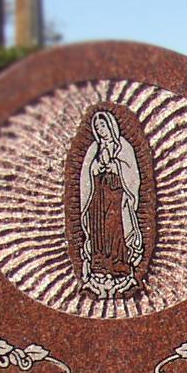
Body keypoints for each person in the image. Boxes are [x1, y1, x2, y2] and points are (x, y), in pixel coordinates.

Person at [78, 110, 144, 298]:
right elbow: (87, 174)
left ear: (110, 126)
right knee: (99, 231)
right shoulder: (94, 149)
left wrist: (116, 166)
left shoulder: (123, 147)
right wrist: (96, 168)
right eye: (98, 128)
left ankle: (119, 269)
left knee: (115, 230)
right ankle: (99, 269)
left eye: (103, 126)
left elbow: (132, 174)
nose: (101, 131)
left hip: (117, 195)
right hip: (99, 196)